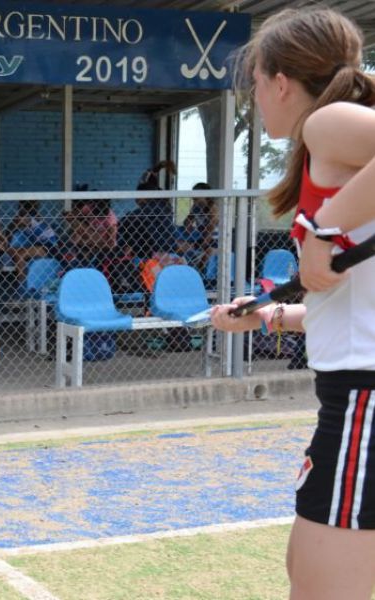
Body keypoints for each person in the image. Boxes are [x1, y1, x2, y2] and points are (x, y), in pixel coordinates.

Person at [210, 8, 375, 599]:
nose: (256, 96)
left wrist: (325, 231)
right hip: (352, 397)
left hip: (364, 400)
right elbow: (353, 305)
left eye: (255, 81)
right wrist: (272, 316)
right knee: (308, 576)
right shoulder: (332, 144)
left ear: (280, 81)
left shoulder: (326, 122)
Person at [7, 199, 58, 280]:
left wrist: (15, 223)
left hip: (50, 246)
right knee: (13, 251)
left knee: (20, 254)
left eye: (21, 207)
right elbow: (10, 230)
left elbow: (11, 229)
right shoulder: (33, 217)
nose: (19, 209)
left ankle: (22, 283)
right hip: (39, 244)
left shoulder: (28, 218)